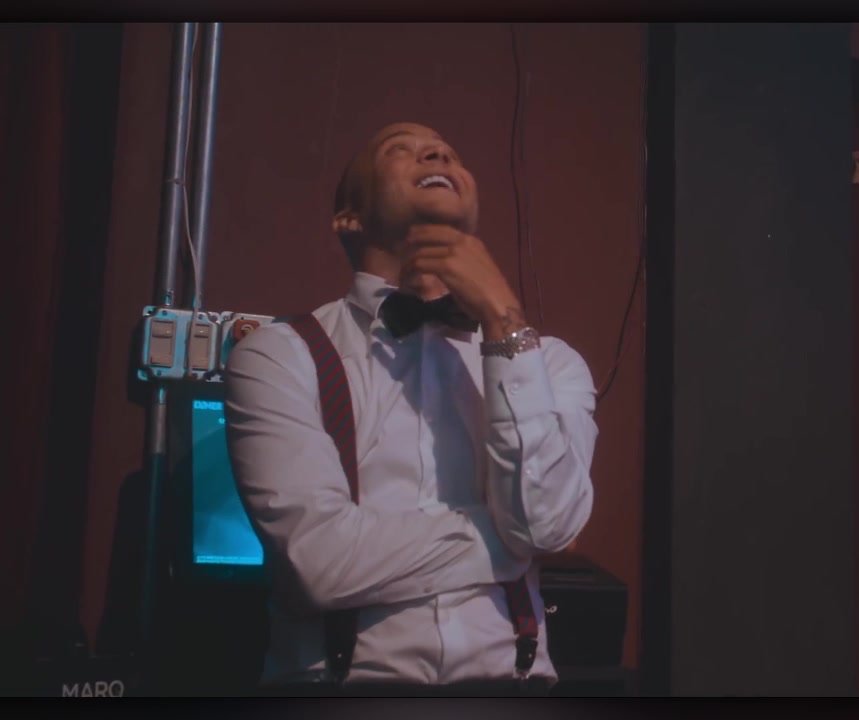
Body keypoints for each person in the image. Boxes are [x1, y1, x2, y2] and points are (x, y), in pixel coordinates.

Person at [223, 122, 597, 696]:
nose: (437, 152)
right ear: (349, 218)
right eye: (400, 148)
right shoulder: (279, 356)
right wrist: (508, 543)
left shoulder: (551, 364)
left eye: (449, 151)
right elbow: (318, 564)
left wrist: (503, 320)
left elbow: (544, 523)